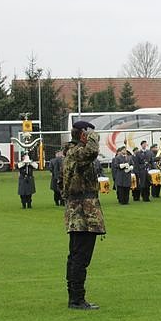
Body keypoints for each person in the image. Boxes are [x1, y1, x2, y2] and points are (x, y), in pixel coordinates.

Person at [61, 121, 105, 310]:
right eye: (88, 133)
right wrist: (92, 135)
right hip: (83, 213)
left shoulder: (72, 152)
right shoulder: (77, 152)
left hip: (79, 210)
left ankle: (75, 296)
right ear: (82, 135)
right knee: (80, 257)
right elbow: (92, 151)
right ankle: (77, 299)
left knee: (76, 256)